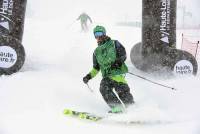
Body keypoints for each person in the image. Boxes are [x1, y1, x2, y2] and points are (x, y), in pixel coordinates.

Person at [83, 25, 134, 113]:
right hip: (107, 76)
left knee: (121, 89)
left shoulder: (114, 43)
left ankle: (133, 109)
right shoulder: (96, 52)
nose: (98, 36)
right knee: (103, 88)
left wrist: (118, 62)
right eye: (96, 34)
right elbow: (96, 68)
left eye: (100, 33)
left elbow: (123, 54)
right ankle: (117, 108)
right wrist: (88, 76)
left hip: (117, 73)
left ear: (104, 33)